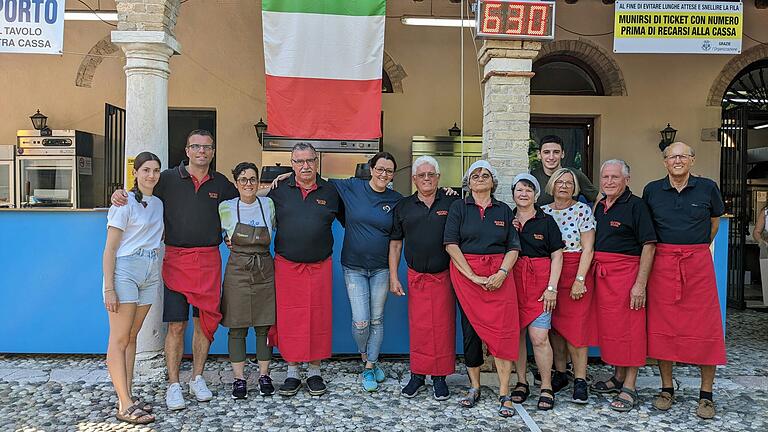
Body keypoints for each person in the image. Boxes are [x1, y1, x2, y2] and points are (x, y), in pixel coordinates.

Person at [112, 130, 239, 410]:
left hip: (208, 261)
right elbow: (140, 188)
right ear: (187, 150)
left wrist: (275, 184)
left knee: (204, 324)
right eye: (196, 146)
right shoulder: (167, 178)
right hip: (176, 261)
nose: (201, 152)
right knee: (177, 324)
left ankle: (197, 378)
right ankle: (173, 384)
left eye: (207, 147)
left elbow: (246, 195)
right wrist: (119, 192)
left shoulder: (222, 184)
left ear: (213, 151)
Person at [643, 142, 727, 419]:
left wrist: (697, 247)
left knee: (706, 327)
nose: (677, 160)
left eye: (682, 156)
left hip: (697, 262)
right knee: (663, 326)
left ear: (692, 160)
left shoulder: (708, 187)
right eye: (672, 157)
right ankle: (666, 388)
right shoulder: (652, 190)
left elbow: (715, 221)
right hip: (663, 264)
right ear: (664, 162)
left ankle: (706, 395)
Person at [444, 160, 521, 418]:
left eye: (485, 174)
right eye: (474, 174)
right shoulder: (458, 207)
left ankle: (504, 392)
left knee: (503, 333)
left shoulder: (504, 211)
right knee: (471, 333)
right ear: (468, 182)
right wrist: (473, 276)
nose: (479, 177)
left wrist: (501, 273)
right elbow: (451, 245)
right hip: (467, 277)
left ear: (493, 181)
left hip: (500, 276)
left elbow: (513, 246)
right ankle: (474, 387)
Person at [266, 142, 341, 397]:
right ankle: (291, 371)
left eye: (309, 160)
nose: (305, 166)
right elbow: (254, 207)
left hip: (320, 265)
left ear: (316, 162)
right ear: (291, 164)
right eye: (299, 162)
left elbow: (354, 215)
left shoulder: (331, 191)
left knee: (317, 317)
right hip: (287, 266)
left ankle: (315, 371)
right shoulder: (279, 190)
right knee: (290, 318)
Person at [330, 152, 403, 392]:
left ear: (393, 175)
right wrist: (288, 175)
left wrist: (449, 193)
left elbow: (400, 233)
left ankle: (370, 367)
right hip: (353, 267)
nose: (384, 174)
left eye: (389, 171)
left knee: (377, 319)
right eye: (380, 169)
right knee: (361, 322)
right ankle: (364, 355)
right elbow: (320, 182)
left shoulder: (396, 199)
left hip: (381, 268)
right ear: (371, 169)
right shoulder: (352, 187)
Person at [389, 156, 458, 400]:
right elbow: (396, 244)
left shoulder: (452, 201)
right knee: (419, 328)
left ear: (438, 178)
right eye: (421, 175)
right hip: (416, 276)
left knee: (442, 327)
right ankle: (418, 375)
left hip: (445, 277)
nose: (426, 179)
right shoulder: (404, 206)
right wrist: (393, 276)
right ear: (414, 179)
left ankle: (440, 377)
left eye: (431, 175)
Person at [590, 159, 656, 413]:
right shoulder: (600, 205)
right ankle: (617, 376)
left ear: (626, 179)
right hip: (604, 277)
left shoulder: (637, 206)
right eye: (605, 177)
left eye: (614, 178)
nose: (609, 182)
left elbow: (649, 245)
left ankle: (630, 385)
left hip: (627, 275)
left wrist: (640, 284)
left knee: (631, 330)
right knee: (613, 329)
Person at [103, 152, 163, 425]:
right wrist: (109, 287)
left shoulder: (158, 203)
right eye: (146, 170)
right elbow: (111, 248)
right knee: (118, 338)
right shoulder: (123, 203)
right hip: (126, 270)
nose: (151, 175)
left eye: (155, 171)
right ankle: (124, 404)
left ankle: (126, 393)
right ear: (136, 173)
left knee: (132, 336)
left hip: (150, 270)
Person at [219, 162, 276, 399]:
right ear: (235, 183)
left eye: (252, 179)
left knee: (264, 326)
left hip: (264, 268)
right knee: (237, 327)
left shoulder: (268, 204)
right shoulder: (226, 207)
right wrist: (224, 236)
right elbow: (218, 230)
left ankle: (264, 376)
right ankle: (239, 380)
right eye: (243, 179)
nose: (248, 184)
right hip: (238, 269)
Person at [509, 173, 564, 411]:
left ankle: (547, 387)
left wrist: (552, 287)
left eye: (529, 190)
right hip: (512, 284)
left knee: (539, 337)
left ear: (536, 195)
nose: (524, 194)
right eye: (519, 189)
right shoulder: (505, 218)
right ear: (513, 193)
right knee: (517, 336)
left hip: (540, 285)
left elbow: (557, 254)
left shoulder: (546, 221)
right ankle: (521, 382)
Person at [542, 168, 596, 404]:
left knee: (576, 330)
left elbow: (588, 248)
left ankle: (580, 380)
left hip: (575, 272)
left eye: (569, 183)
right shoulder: (542, 212)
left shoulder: (582, 210)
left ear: (575, 187)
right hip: (551, 275)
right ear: (552, 185)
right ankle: (561, 372)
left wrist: (580, 280)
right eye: (559, 182)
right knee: (554, 328)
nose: (564, 186)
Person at [531, 135, 599, 206]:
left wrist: (593, 215)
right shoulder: (533, 177)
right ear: (539, 154)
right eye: (546, 152)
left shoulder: (574, 175)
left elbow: (599, 198)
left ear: (562, 154)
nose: (551, 157)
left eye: (556, 152)